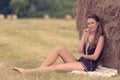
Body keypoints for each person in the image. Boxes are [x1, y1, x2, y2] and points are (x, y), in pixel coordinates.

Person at [13, 14, 104, 73]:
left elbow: (95, 57)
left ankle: (27, 71)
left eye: (92, 23)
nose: (90, 25)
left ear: (98, 24)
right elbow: (79, 50)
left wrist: (84, 56)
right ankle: (39, 70)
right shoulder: (88, 35)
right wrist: (84, 37)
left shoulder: (100, 38)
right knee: (59, 48)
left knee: (57, 67)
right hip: (81, 61)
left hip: (88, 66)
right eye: (88, 24)